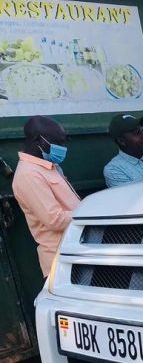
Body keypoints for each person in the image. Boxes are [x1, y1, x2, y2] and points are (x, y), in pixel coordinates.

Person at [12, 116, 80, 277]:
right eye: (57, 143)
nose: (62, 148)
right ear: (37, 139)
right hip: (62, 260)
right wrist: (89, 213)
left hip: (75, 251)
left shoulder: (48, 166)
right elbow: (55, 220)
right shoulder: (29, 174)